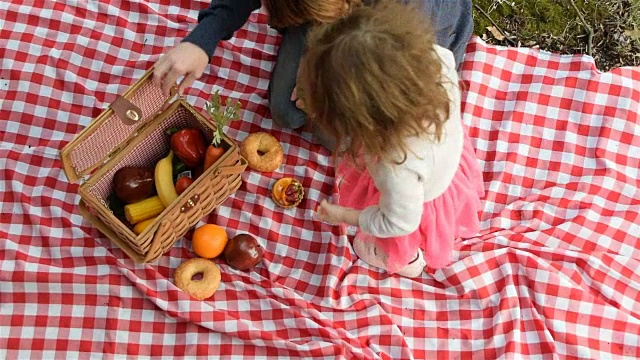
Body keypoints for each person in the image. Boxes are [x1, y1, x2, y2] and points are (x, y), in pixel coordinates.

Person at [303, 0, 484, 277]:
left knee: (398, 235)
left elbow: (399, 222)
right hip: (446, 154)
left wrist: (343, 216)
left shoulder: (395, 166)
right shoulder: (434, 60)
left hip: (422, 199)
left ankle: (407, 259)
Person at [152, 0, 474, 149]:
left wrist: (332, 84)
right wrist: (203, 40)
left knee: (337, 138)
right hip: (340, 18)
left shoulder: (412, 11)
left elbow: (397, 82)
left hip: (396, 48)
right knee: (285, 110)